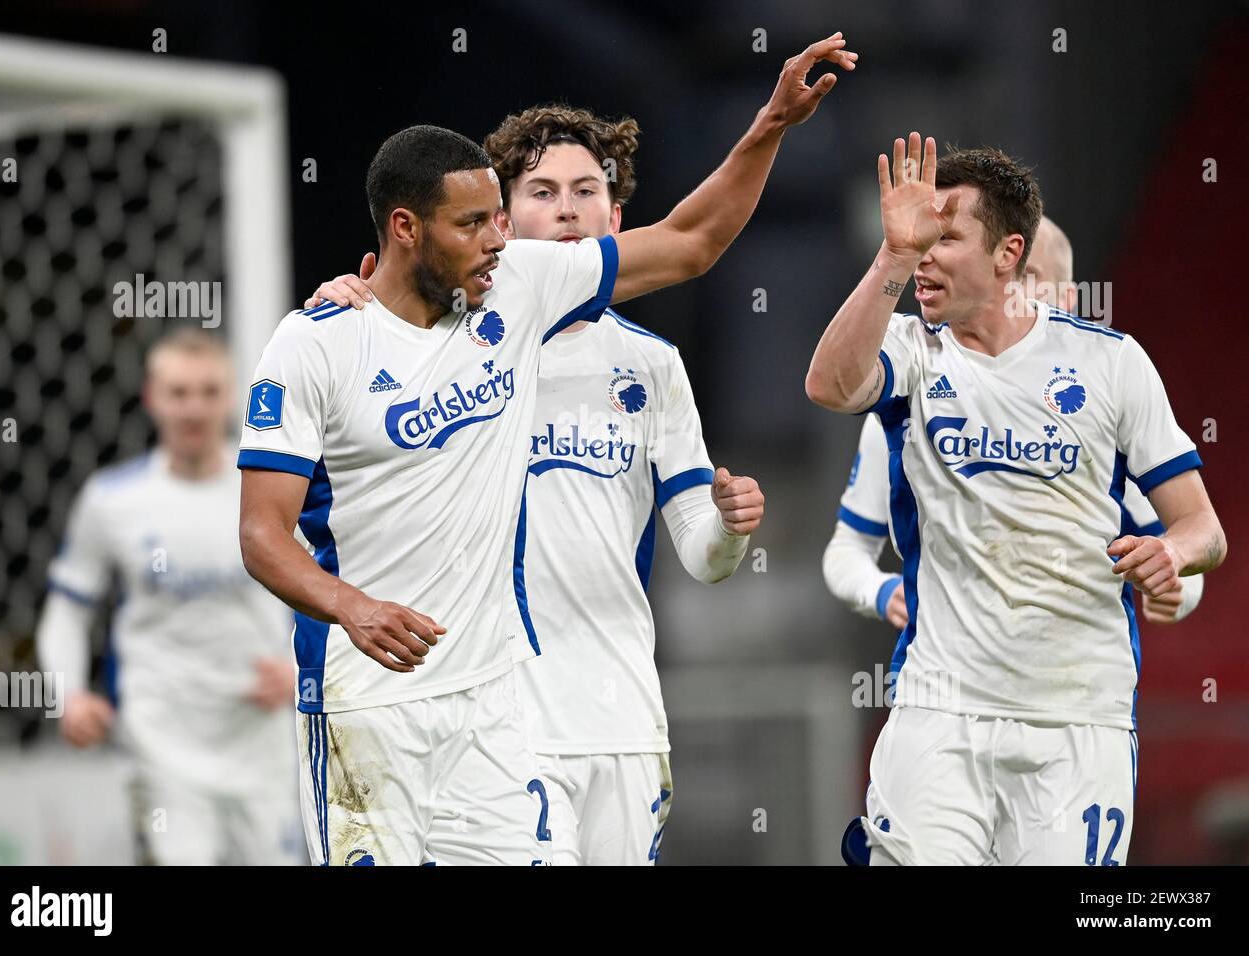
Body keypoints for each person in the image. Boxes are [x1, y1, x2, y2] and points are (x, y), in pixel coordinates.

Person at [239, 34, 855, 866]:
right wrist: (352, 606)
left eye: (504, 217)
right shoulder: (321, 343)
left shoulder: (531, 297)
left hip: (508, 715)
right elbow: (261, 533)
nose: (502, 239)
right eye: (480, 222)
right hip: (367, 704)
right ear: (407, 230)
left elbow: (690, 241)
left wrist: (772, 123)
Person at [308, 104, 768, 865]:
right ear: (501, 222)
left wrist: (730, 527)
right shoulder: (450, 340)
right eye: (543, 193)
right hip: (500, 717)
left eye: (586, 191)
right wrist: (345, 304)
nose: (567, 211)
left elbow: (702, 555)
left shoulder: (652, 365)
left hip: (622, 715)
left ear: (616, 215)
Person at [806, 134, 1226, 865]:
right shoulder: (913, 351)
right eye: (918, 236)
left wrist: (1170, 553)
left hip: (1078, 716)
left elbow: (1203, 530)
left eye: (945, 236)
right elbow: (829, 387)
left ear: (1008, 255)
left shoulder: (1111, 364)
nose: (924, 250)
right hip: (940, 710)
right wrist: (892, 261)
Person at [823, 216, 1204, 631]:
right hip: (946, 668)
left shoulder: (1103, 397)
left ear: (1070, 299)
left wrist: (1178, 589)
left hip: (1076, 671)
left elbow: (1185, 535)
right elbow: (847, 548)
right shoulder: (910, 397)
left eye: (1032, 277)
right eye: (1006, 276)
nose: (1014, 290)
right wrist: (880, 591)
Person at [37, 329, 300, 865]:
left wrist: (303, 665)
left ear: (231, 397)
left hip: (264, 741)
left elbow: (334, 585)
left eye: (208, 391)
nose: (194, 408)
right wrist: (67, 694)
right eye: (179, 393)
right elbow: (66, 609)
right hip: (163, 744)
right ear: (151, 398)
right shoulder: (113, 499)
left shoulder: (275, 488)